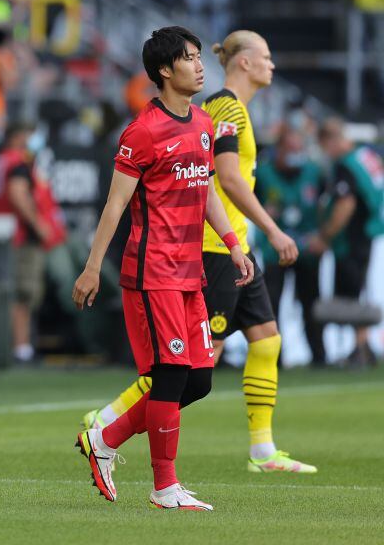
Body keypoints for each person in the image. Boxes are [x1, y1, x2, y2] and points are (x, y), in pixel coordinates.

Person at [83, 30, 317, 474]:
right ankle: (109, 425)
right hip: (192, 255)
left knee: (262, 343)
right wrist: (270, 230)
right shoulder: (224, 108)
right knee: (183, 368)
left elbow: (211, 181)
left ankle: (263, 450)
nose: (272, 65)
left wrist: (238, 242)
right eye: (265, 56)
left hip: (228, 248)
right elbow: (227, 180)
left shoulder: (209, 117)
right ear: (243, 62)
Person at [73, 26, 253, 511]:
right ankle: (164, 486)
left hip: (190, 273)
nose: (199, 66)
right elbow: (114, 206)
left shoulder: (200, 123)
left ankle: (105, 437)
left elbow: (207, 188)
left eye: (199, 57)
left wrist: (233, 243)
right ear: (164, 71)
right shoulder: (142, 132)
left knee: (199, 380)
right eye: (190, 58)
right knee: (170, 373)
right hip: (152, 274)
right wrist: (92, 269)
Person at [0, 124, 65, 364]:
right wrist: (39, 223)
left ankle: (15, 348)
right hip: (18, 234)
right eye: (29, 135)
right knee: (23, 294)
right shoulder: (18, 162)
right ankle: (20, 349)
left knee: (12, 292)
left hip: (0, 232)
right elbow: (17, 194)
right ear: (17, 137)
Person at [310, 119, 384, 368]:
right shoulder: (366, 154)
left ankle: (361, 347)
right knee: (360, 289)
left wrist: (325, 236)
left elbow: (345, 204)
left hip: (354, 237)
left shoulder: (346, 165)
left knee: (351, 293)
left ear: (330, 141)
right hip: (371, 230)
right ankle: (362, 346)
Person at [256, 124, 326, 367]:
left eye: (299, 149)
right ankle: (274, 358)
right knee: (271, 302)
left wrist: (323, 235)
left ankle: (319, 355)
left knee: (311, 302)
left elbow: (327, 203)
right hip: (274, 248)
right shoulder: (263, 174)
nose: (296, 154)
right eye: (290, 149)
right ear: (280, 150)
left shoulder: (315, 172)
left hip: (307, 248)